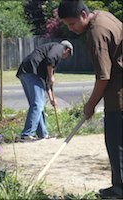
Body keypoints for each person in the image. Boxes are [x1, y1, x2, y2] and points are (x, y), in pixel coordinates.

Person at [58, 0, 123, 199]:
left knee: (116, 145)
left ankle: (119, 190)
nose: (71, 29)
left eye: (72, 24)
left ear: (84, 15)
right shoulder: (106, 16)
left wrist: (90, 104)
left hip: (118, 98)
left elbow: (104, 76)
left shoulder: (96, 32)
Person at [16, 40, 73, 140]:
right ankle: (26, 134)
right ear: (67, 50)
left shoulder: (51, 58)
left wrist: (51, 99)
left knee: (38, 105)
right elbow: (50, 59)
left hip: (26, 72)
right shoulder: (58, 47)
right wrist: (51, 76)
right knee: (37, 104)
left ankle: (43, 134)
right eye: (68, 55)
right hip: (31, 72)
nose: (66, 58)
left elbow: (47, 83)